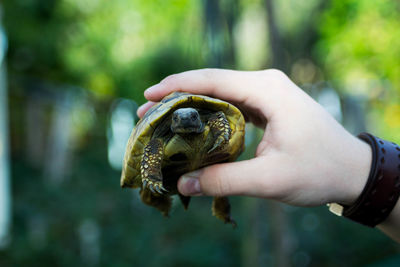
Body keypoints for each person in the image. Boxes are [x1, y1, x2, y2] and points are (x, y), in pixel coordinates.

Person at [136, 68, 400, 242]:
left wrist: (360, 174)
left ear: (199, 118)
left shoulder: (214, 124)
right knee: (152, 185)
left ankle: (220, 206)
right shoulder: (160, 139)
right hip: (167, 161)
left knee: (218, 190)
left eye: (191, 116)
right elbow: (149, 148)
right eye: (178, 119)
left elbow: (220, 123)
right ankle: (157, 197)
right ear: (172, 122)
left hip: (203, 158)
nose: (184, 120)